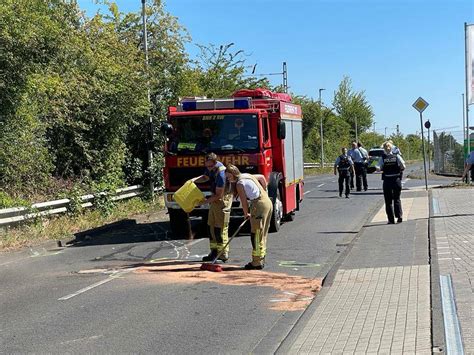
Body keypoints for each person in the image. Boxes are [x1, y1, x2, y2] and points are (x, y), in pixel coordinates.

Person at [225, 164, 273, 270]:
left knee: (255, 234)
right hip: (267, 202)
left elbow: (244, 202)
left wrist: (246, 213)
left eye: (229, 177)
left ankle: (256, 262)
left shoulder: (239, 183)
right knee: (262, 232)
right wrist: (265, 190)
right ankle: (260, 258)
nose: (228, 179)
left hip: (258, 205)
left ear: (234, 174)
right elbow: (262, 177)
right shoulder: (247, 175)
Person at [191, 153, 233, 262]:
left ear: (215, 163)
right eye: (206, 166)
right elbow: (205, 177)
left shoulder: (221, 174)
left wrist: (204, 202)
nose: (208, 168)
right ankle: (214, 252)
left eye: (210, 166)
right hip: (215, 200)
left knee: (220, 228)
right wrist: (194, 180)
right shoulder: (211, 168)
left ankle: (223, 254)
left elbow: (219, 195)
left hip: (222, 200)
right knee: (211, 227)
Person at [377, 141, 406, 224]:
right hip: (396, 179)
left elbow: (378, 167)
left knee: (388, 201)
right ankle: (399, 216)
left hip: (387, 180)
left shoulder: (382, 157)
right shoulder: (396, 156)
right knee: (397, 199)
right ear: (392, 148)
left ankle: (391, 219)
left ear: (384, 149)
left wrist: (379, 168)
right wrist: (398, 170)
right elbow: (403, 166)